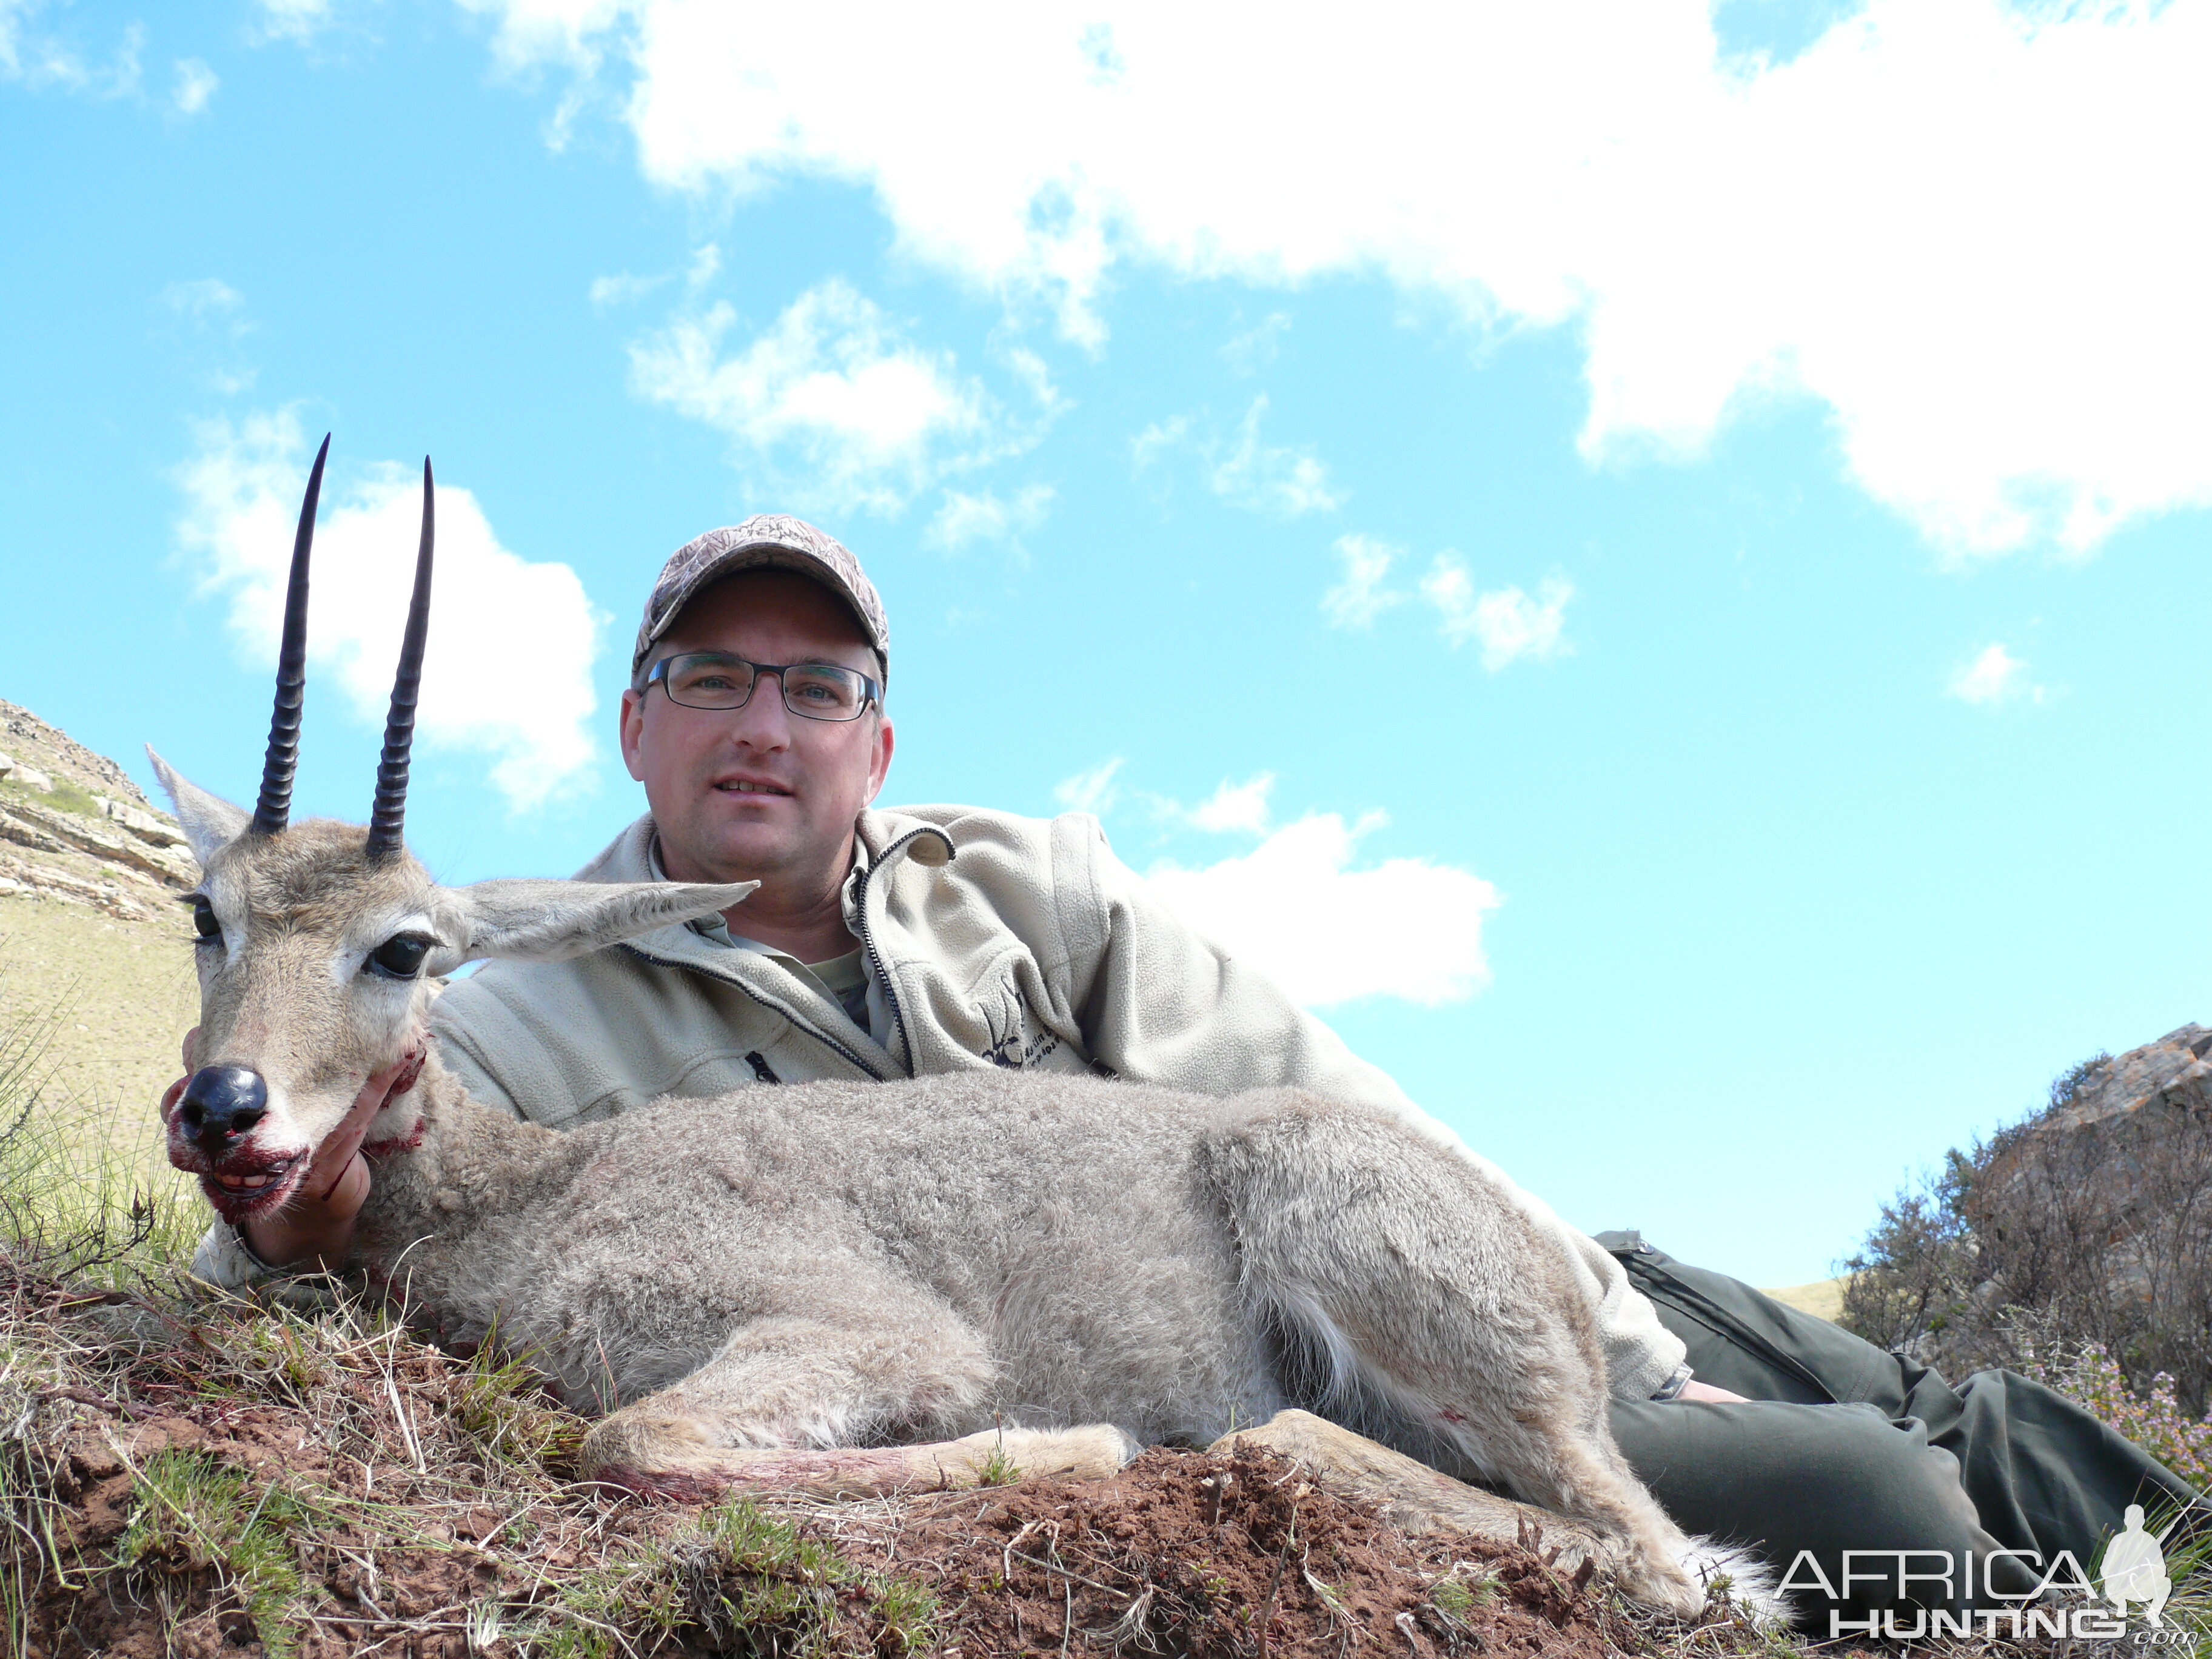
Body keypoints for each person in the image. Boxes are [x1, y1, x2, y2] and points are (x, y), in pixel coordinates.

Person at [180, 514, 2202, 1630]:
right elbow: (300, 1148)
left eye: (817, 686)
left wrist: (1587, 1313)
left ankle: (2102, 1535)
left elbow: (1313, 1104)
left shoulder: (1022, 883)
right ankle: (2006, 1541)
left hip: (1357, 1260)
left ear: (877, 739)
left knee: (1857, 1392)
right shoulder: (510, 1016)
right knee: (1880, 1497)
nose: (765, 721)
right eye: (715, 680)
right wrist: (290, 1201)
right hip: (1284, 1376)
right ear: (640, 728)